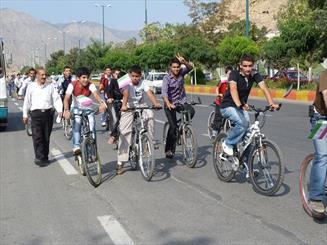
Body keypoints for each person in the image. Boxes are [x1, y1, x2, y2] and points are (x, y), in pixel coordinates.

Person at [220, 54, 279, 157]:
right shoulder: (234, 74)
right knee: (243, 124)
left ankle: (246, 166)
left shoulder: (254, 74)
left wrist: (271, 103)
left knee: (249, 138)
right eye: (245, 66)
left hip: (241, 106)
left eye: (250, 66)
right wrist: (239, 105)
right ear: (240, 65)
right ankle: (227, 143)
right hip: (228, 106)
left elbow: (264, 88)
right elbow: (233, 89)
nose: (248, 69)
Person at [116, 65, 161, 175]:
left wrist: (156, 103)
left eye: (138, 76)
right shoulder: (125, 80)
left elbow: (149, 93)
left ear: (141, 75)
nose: (135, 78)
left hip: (141, 104)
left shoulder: (143, 82)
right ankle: (120, 162)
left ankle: (148, 142)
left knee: (150, 115)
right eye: (133, 76)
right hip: (127, 105)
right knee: (125, 131)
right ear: (129, 74)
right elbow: (125, 93)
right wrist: (124, 106)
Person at [22, 68, 63, 167]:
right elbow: (27, 101)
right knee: (37, 136)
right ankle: (39, 157)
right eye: (42, 75)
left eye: (45, 75)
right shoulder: (31, 87)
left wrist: (60, 111)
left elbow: (56, 98)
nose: (44, 77)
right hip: (35, 114)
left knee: (46, 136)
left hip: (48, 114)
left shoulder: (50, 87)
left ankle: (45, 156)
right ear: (37, 76)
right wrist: (25, 114)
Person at [63, 67, 106, 155]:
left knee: (92, 125)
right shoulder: (72, 85)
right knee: (77, 123)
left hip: (88, 109)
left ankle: (93, 147)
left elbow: (96, 95)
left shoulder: (91, 85)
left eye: (87, 77)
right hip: (76, 109)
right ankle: (76, 146)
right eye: (83, 77)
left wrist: (101, 103)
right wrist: (66, 110)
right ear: (78, 78)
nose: (86, 80)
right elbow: (66, 98)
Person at [162, 54, 194, 159]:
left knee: (191, 111)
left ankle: (182, 129)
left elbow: (190, 68)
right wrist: (168, 103)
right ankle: (168, 149)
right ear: (170, 68)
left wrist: (184, 62)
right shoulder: (167, 78)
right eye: (174, 67)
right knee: (173, 127)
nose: (176, 69)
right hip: (170, 104)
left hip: (181, 102)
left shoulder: (181, 73)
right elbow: (164, 93)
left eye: (178, 67)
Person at [308, 68, 327, 214]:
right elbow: (326, 95)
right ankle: (315, 197)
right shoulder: (325, 74)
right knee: (322, 155)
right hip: (320, 120)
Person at [211, 66, 233, 136]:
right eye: (229, 73)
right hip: (220, 101)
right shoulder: (223, 80)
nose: (230, 75)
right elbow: (217, 88)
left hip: (228, 102)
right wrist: (218, 94)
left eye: (231, 74)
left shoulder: (233, 81)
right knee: (218, 116)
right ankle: (214, 132)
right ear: (226, 74)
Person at [105, 68, 124, 144]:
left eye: (119, 74)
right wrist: (110, 98)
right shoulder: (113, 81)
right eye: (116, 74)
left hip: (125, 102)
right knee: (116, 119)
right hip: (116, 101)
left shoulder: (126, 82)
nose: (118, 75)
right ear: (113, 75)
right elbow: (109, 90)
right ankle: (113, 135)